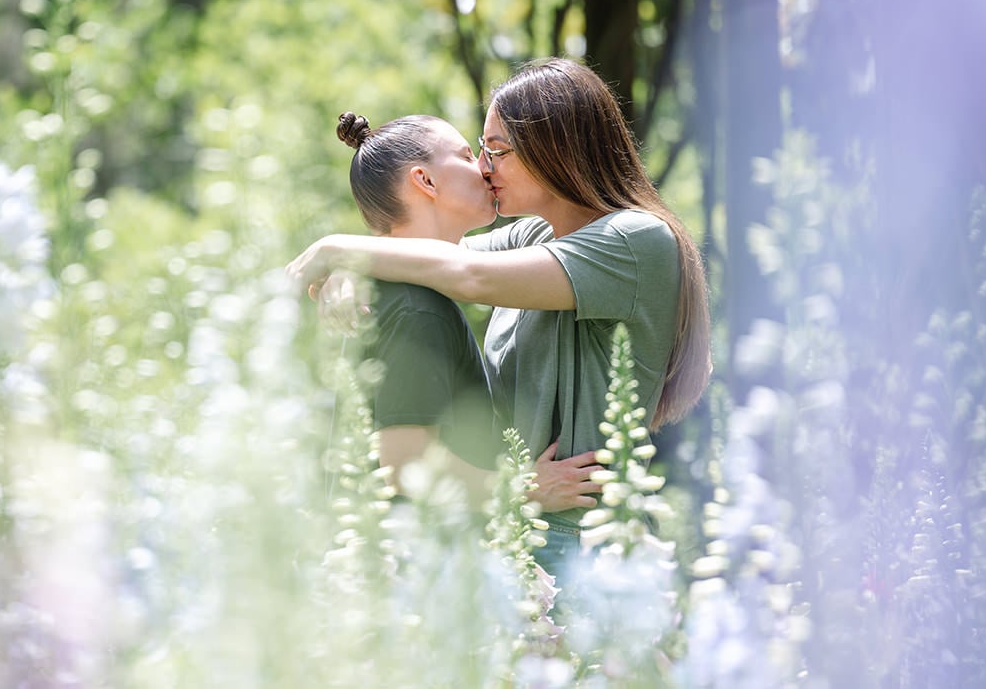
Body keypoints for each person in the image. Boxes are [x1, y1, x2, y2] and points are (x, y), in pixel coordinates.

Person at [290, 59, 712, 581]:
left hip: (579, 538)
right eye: (478, 152)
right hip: (514, 531)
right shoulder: (535, 235)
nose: (486, 167)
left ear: (555, 147)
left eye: (497, 151)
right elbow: (429, 251)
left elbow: (466, 274)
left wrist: (335, 250)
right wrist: (351, 272)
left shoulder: (634, 240)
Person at [325, 109, 599, 511]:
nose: (485, 167)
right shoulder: (417, 304)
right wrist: (526, 490)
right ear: (425, 181)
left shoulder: (399, 290)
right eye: (467, 155)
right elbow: (403, 464)